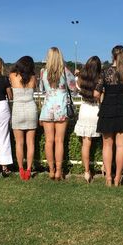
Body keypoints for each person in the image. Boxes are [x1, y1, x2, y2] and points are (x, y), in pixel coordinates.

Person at [94, 45, 123, 187]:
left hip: (108, 109)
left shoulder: (105, 72)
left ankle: (108, 178)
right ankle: (118, 178)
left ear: (112, 56)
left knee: (107, 145)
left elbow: (96, 93)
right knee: (121, 146)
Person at [39, 47, 76, 180]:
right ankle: (59, 171)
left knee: (49, 141)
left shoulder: (43, 72)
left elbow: (42, 89)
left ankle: (51, 170)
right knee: (59, 141)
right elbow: (74, 88)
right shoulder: (65, 71)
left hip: (48, 107)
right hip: (61, 107)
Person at [74, 56, 101, 183]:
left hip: (84, 110)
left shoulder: (80, 79)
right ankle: (105, 166)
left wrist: (79, 73)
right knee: (105, 142)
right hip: (96, 111)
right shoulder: (100, 80)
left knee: (86, 144)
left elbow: (76, 88)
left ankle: (86, 172)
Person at [10, 56, 37, 181]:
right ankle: (29, 169)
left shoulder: (12, 76)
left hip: (18, 110)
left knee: (19, 143)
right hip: (31, 109)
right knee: (30, 143)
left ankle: (21, 169)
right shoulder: (33, 78)